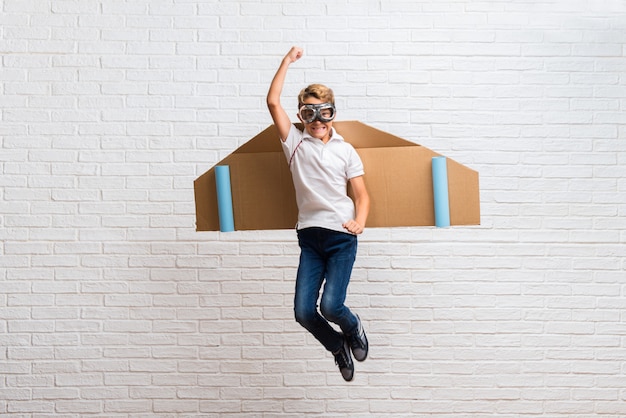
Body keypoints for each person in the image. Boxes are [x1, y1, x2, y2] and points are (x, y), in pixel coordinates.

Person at [266, 46, 370, 382]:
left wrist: (360, 221)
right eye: (308, 114)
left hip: (341, 236)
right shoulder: (294, 142)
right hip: (310, 236)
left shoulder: (346, 150)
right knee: (303, 312)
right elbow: (272, 102)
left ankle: (352, 327)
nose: (316, 122)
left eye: (322, 113)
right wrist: (286, 63)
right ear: (301, 117)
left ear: (331, 114)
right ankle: (337, 345)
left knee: (331, 307)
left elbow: (362, 194)